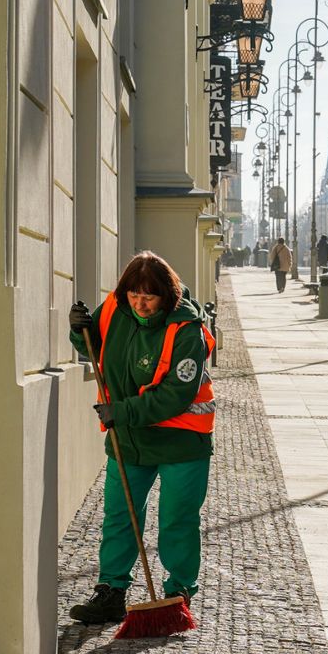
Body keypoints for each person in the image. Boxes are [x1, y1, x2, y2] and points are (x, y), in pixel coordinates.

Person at [67, 251, 216, 623]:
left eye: (149, 297)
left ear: (167, 295)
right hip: (130, 440)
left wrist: (125, 411)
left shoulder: (187, 329)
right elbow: (94, 346)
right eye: (134, 295)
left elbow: (177, 393)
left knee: (176, 519)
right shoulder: (115, 308)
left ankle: (178, 592)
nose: (140, 304)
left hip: (182, 442)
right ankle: (111, 590)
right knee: (120, 516)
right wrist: (79, 328)